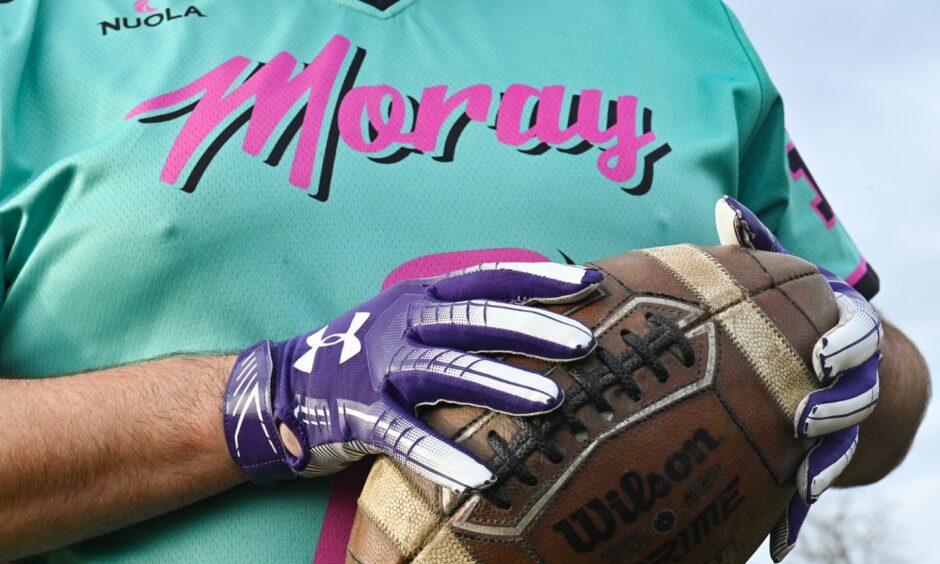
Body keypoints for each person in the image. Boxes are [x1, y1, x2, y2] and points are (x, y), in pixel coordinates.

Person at [0, 1, 928, 562]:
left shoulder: (682, 27)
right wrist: (274, 399)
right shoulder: (32, 31)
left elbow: (889, 391)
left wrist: (839, 354)